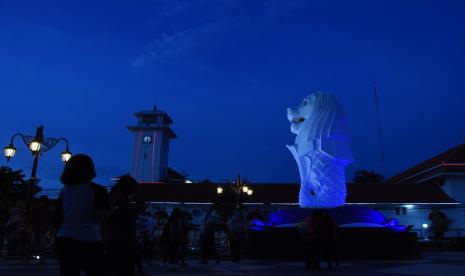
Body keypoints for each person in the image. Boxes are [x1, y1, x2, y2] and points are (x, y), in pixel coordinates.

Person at [55, 154, 110, 276]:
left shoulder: (65, 190)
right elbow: (102, 215)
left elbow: (58, 216)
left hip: (64, 238)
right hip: (89, 239)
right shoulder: (97, 190)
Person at [105, 175, 138, 276]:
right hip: (120, 239)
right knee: (123, 268)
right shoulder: (118, 198)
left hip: (118, 238)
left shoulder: (119, 197)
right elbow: (108, 215)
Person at [25, 195, 53, 264]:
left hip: (36, 227)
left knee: (38, 244)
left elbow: (32, 218)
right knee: (37, 243)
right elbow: (50, 219)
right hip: (44, 228)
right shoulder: (49, 209)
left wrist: (28, 225)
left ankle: (40, 258)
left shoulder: (35, 208)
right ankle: (28, 258)